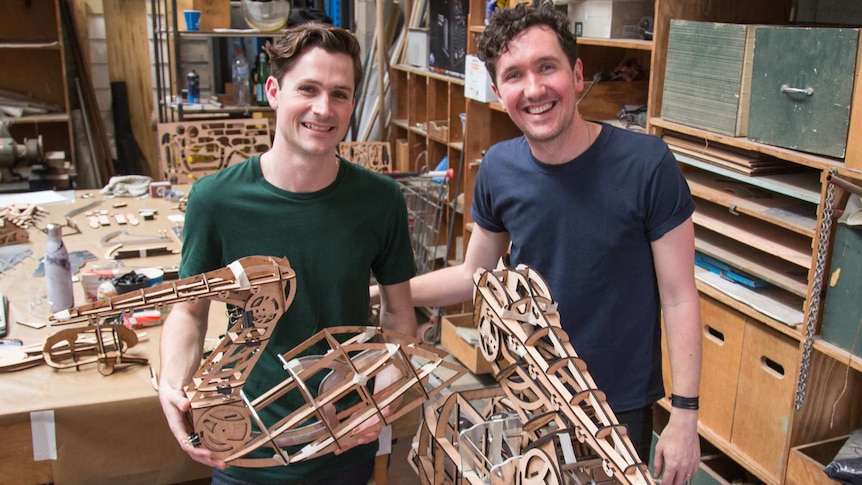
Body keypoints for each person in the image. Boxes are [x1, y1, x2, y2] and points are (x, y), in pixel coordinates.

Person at [374, 3, 702, 484]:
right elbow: (473, 276)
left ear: (576, 72)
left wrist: (686, 416)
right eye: (514, 75)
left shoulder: (646, 164)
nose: (534, 89)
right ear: (498, 90)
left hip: (616, 406)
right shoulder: (499, 169)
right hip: (531, 395)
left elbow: (679, 295)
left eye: (547, 67)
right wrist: (384, 293)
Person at [158, 23, 418, 485]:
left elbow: (399, 314)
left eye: (340, 94)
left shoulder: (379, 201)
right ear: (274, 91)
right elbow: (189, 311)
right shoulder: (215, 200)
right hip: (244, 448)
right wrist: (172, 386)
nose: (324, 108)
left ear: (353, 104)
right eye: (309, 89)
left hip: (342, 446)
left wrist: (381, 401)